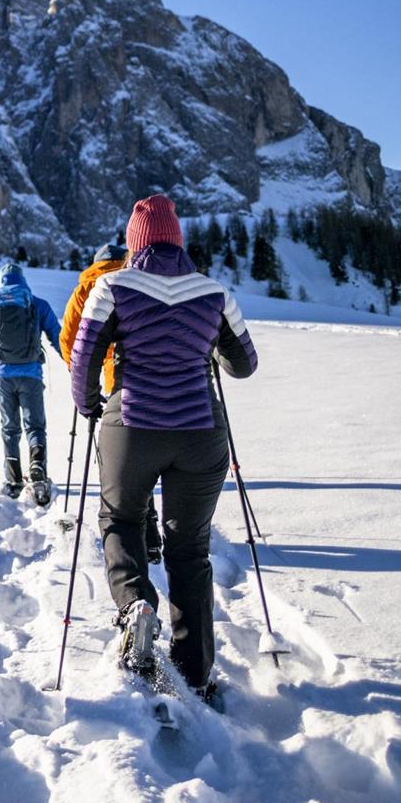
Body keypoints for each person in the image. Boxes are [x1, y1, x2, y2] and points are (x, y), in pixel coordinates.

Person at [69, 194, 258, 696]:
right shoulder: (214, 292)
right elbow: (244, 364)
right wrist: (203, 345)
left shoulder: (112, 285)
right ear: (178, 241)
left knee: (121, 519)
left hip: (133, 427)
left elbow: (85, 356)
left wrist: (91, 406)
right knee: (190, 549)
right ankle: (195, 674)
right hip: (201, 433)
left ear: (135, 244)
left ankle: (135, 605)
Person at [60, 242, 163, 561]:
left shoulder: (85, 288)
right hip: (141, 378)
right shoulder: (140, 282)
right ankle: (151, 528)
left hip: (104, 379)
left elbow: (69, 341)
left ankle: (128, 528)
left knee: (116, 457)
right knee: (143, 452)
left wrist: (81, 379)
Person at [0, 261, 62, 504]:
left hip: (1, 376)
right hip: (30, 373)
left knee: (10, 427)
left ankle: (12, 481)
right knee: (35, 426)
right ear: (23, 280)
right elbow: (56, 335)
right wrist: (72, 360)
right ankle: (38, 470)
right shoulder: (36, 303)